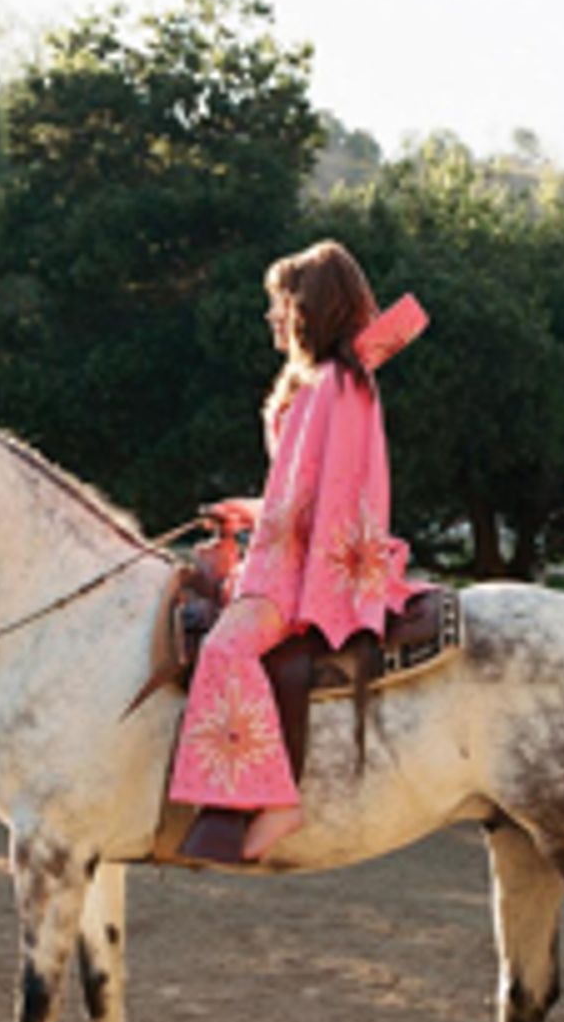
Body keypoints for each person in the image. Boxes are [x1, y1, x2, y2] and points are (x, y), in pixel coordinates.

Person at [169, 240, 417, 861]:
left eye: (279, 304)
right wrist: (249, 510)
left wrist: (263, 537)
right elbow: (298, 489)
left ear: (308, 308)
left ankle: (276, 800)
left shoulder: (332, 384)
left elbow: (314, 499)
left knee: (226, 646)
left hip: (294, 569)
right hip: (288, 548)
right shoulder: (321, 382)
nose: (271, 317)